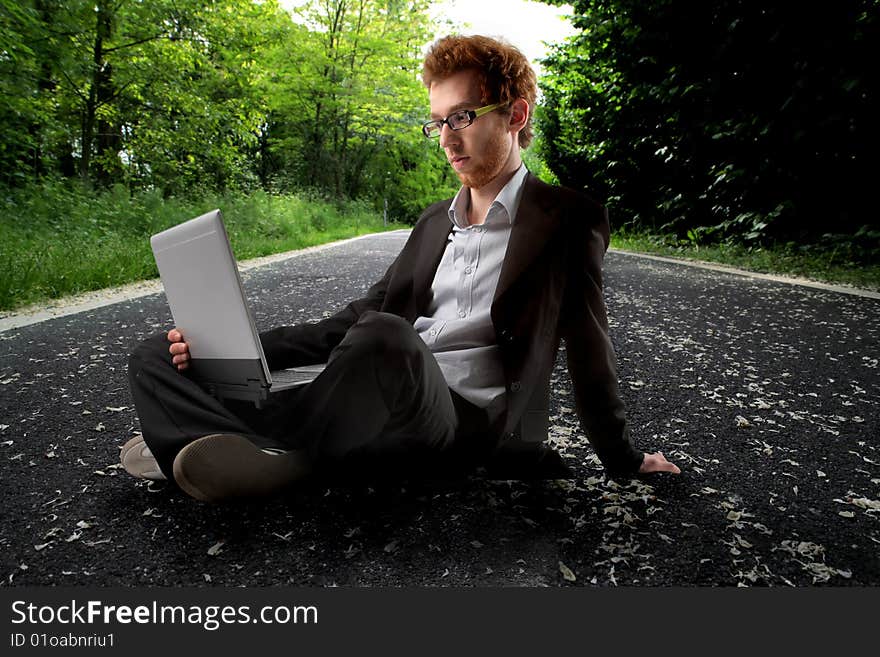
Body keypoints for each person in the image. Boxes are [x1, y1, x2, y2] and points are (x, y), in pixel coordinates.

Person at [121, 35, 680, 502]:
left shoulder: (566, 219)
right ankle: (255, 452)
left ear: (515, 114)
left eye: (462, 116)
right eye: (437, 122)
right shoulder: (435, 221)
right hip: (373, 402)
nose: (447, 138)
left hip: (455, 421)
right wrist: (231, 346)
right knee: (155, 355)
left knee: (385, 339)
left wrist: (625, 458)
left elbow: (590, 347)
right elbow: (352, 318)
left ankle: (236, 446)